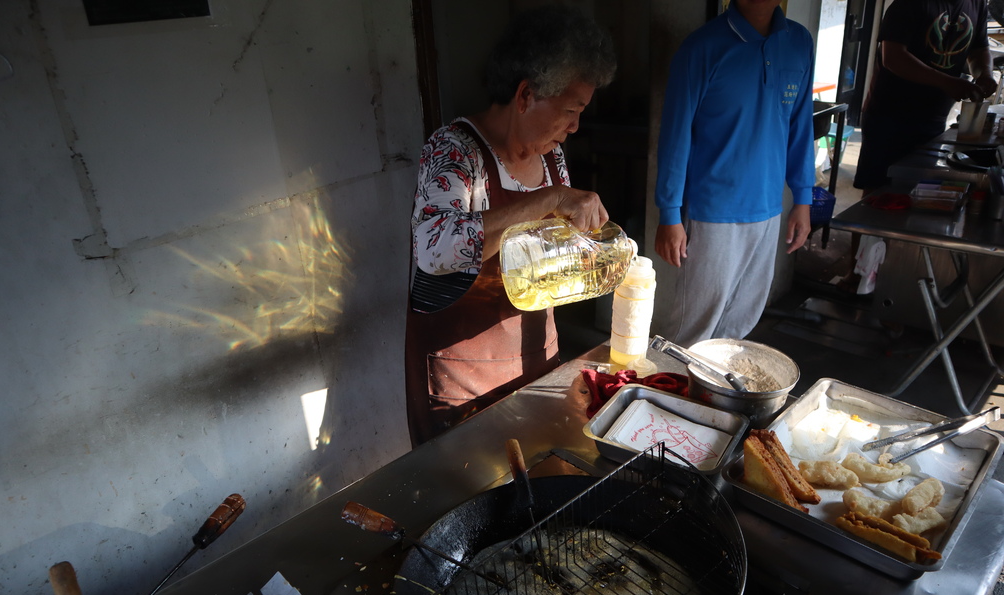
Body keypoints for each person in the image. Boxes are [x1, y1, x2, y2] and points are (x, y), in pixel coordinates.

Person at [405, 5, 617, 446]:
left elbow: (552, 252)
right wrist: (550, 200)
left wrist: (596, 253)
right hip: (463, 380)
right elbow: (435, 250)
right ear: (525, 96)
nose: (576, 126)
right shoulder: (454, 151)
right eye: (571, 109)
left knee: (539, 480)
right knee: (470, 495)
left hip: (538, 359)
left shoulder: (551, 156)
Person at [653, 0, 814, 347]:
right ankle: (663, 393)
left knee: (739, 323)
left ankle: (708, 398)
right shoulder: (702, 48)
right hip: (712, 212)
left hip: (768, 209)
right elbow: (676, 134)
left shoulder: (799, 43)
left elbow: (800, 125)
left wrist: (803, 197)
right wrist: (669, 214)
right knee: (691, 329)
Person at [854, 0, 997, 192]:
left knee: (918, 190)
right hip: (890, 119)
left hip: (934, 119)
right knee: (880, 194)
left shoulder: (976, 4)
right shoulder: (909, 4)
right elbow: (893, 57)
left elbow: (979, 50)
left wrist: (985, 73)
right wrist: (947, 82)